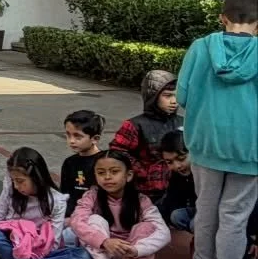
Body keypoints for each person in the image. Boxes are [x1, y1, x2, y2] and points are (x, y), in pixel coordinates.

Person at [177, 0, 258, 259]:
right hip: (249, 147)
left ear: (222, 17)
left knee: (206, 207)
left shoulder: (200, 47)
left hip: (205, 141)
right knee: (235, 215)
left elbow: (181, 96)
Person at [69, 147, 171, 259]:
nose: (107, 177)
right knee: (94, 220)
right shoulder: (92, 196)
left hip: (130, 257)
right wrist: (104, 241)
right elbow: (76, 221)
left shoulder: (141, 201)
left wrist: (138, 250)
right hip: (99, 257)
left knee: (147, 227)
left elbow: (164, 233)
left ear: (128, 175)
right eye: (101, 173)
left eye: (114, 171)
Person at [0, 147, 90, 259]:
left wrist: (30, 251)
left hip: (38, 251)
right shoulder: (11, 191)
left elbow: (54, 244)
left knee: (84, 257)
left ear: (36, 177)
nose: (17, 186)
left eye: (20, 181)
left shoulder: (56, 200)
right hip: (10, 245)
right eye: (14, 181)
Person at [109, 68, 180, 199]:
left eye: (177, 95)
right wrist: (141, 171)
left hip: (178, 190)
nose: (174, 101)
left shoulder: (183, 123)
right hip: (145, 192)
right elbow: (117, 151)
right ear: (153, 97)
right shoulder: (134, 125)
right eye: (168, 95)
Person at [60, 109, 105, 215]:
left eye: (78, 136)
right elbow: (65, 194)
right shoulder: (69, 162)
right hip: (72, 216)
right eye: (68, 135)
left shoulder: (105, 162)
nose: (71, 140)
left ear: (95, 139)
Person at [158, 131, 196, 232]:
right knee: (176, 216)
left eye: (181, 159)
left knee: (195, 224)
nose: (177, 166)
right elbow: (171, 199)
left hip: (215, 214)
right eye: (169, 162)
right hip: (196, 210)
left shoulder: (206, 173)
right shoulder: (177, 175)